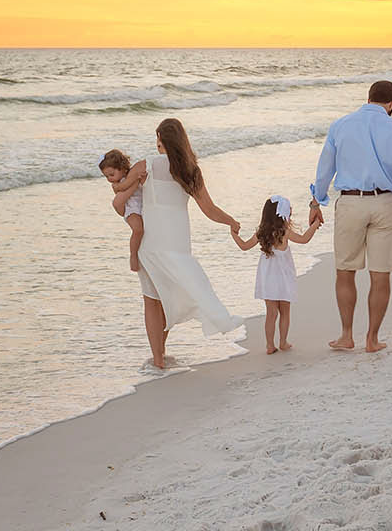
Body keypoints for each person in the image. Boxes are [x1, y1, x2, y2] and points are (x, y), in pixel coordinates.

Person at [308, 80, 392, 353]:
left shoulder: (341, 125)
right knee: (380, 275)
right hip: (385, 204)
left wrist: (316, 201)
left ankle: (346, 335)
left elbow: (325, 168)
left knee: (345, 272)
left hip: (351, 203)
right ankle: (372, 340)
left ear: (369, 98)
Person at [111, 118, 245, 369]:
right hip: (177, 243)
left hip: (151, 242)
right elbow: (209, 209)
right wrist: (231, 221)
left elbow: (119, 192)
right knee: (169, 294)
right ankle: (161, 352)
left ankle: (159, 359)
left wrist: (123, 188)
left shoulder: (146, 165)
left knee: (153, 299)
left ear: (162, 139)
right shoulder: (191, 170)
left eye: (157, 138)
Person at [230, 194, 318, 354]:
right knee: (285, 311)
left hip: (268, 279)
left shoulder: (261, 233)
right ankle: (283, 342)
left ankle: (270, 345)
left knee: (271, 313)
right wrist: (315, 225)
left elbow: (244, 246)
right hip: (284, 278)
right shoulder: (284, 232)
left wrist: (234, 235)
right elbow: (304, 239)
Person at [99, 149, 145, 273]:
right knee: (138, 229)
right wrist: (136, 180)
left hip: (142, 206)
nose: (109, 178)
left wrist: (138, 178)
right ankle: (133, 255)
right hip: (131, 209)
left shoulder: (131, 175)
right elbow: (125, 188)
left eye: (111, 174)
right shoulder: (116, 185)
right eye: (106, 176)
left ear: (123, 168)